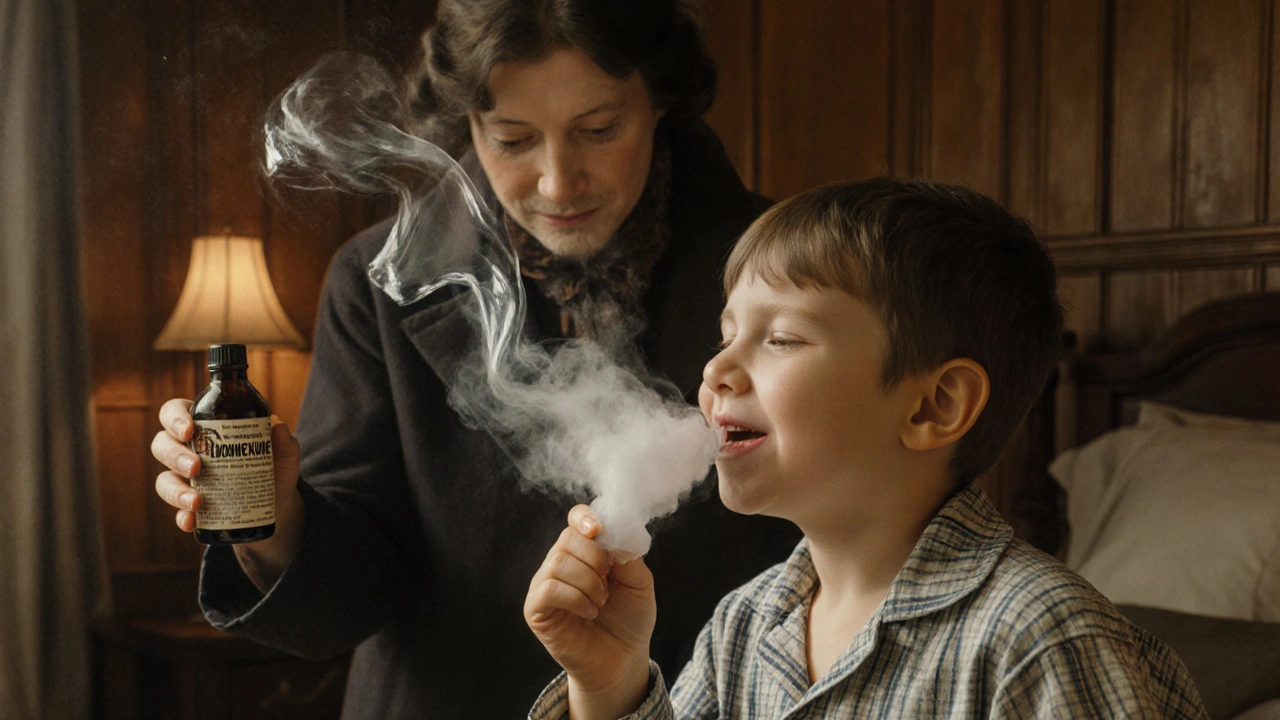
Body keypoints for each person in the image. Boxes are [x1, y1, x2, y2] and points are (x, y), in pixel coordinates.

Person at [149, 1, 799, 717]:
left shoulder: (783, 276)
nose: (558, 181)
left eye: (599, 129)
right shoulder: (375, 284)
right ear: (467, 126)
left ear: (660, 101)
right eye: (513, 139)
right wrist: (276, 520)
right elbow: (349, 598)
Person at [524, 178, 1209, 719]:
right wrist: (610, 685)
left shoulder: (1038, 643)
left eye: (782, 339)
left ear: (933, 406)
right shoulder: (745, 628)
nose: (715, 372)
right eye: (725, 336)